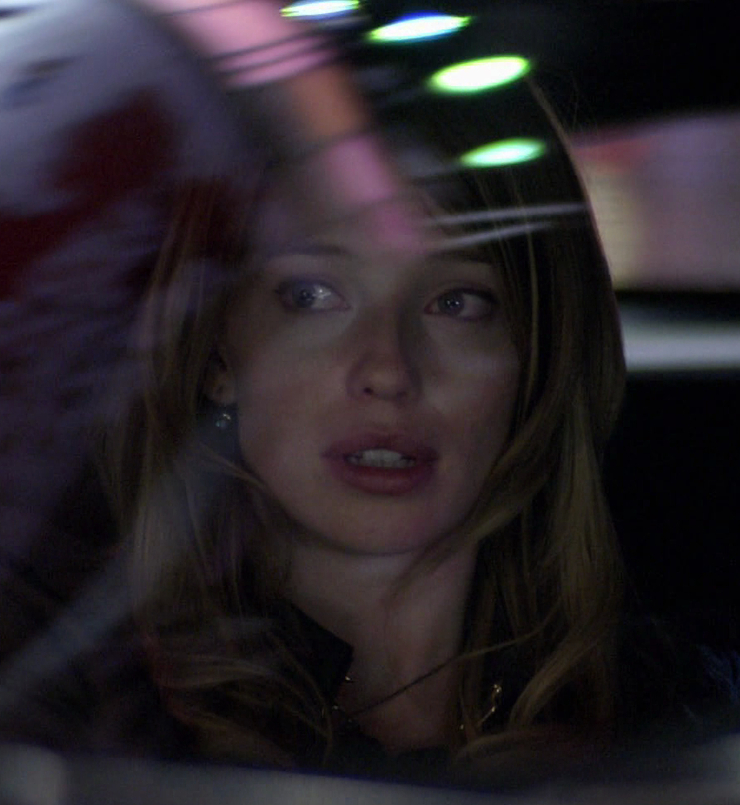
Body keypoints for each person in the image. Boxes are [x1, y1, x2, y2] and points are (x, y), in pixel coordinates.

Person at [0, 0, 735, 786]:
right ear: (216, 350)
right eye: (313, 296)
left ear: (536, 353)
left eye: (456, 302)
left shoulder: (685, 705)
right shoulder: (82, 701)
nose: (387, 369)